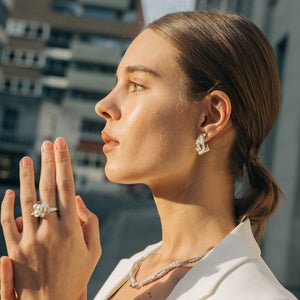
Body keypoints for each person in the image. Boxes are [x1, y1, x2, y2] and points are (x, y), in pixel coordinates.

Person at [0, 10, 298, 300]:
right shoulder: (132, 268)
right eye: (116, 83)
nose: (103, 105)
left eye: (137, 85)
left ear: (210, 117)